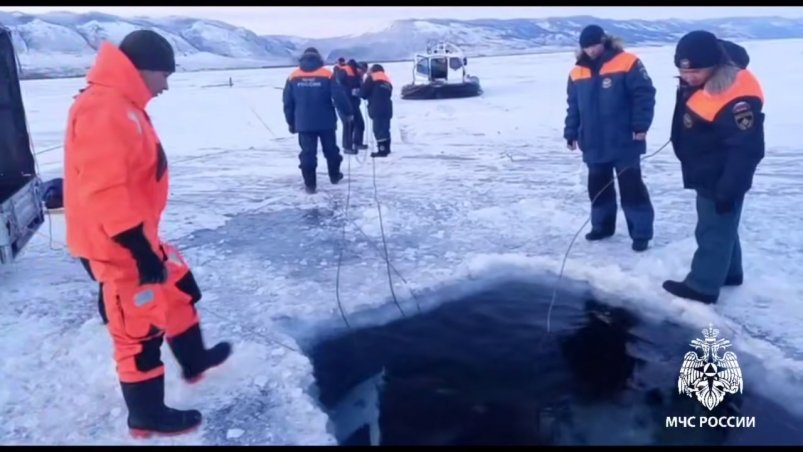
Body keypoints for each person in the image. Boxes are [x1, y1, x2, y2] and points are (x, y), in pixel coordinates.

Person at [63, 29, 231, 438]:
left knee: (178, 289)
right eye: (165, 75)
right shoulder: (105, 109)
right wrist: (139, 250)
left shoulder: (121, 104)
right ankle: (147, 414)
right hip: (117, 244)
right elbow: (107, 190)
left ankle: (194, 361)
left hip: (136, 233)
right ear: (144, 69)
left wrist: (145, 242)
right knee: (137, 329)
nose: (167, 85)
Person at [663, 31, 765, 304]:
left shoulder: (737, 97)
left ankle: (702, 286)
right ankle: (730, 273)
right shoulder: (704, 81)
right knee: (721, 226)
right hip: (708, 169)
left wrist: (727, 190)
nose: (689, 77)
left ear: (715, 64)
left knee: (712, 230)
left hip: (722, 176)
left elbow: (747, 149)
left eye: (696, 71)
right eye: (684, 71)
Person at [564, 25, 657, 252]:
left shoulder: (627, 62)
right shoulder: (577, 72)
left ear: (604, 41)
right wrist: (571, 132)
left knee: (632, 188)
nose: (591, 51)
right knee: (598, 188)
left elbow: (644, 95)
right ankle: (602, 227)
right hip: (593, 143)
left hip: (624, 140)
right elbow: (573, 106)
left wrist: (640, 125)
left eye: (594, 45)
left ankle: (641, 233)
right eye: (586, 47)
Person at [282, 47, 353, 193]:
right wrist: (348, 113)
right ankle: (334, 176)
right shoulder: (327, 75)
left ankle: (310, 184)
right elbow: (339, 96)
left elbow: (288, 103)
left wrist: (291, 122)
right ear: (319, 59)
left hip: (303, 123)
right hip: (326, 121)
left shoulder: (293, 77)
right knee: (331, 150)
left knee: (308, 153)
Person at [359, 64, 393, 158]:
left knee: (378, 129)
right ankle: (387, 148)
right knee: (385, 128)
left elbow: (363, 93)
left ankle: (382, 150)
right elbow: (389, 93)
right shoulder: (387, 80)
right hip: (388, 108)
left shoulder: (371, 78)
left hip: (377, 108)